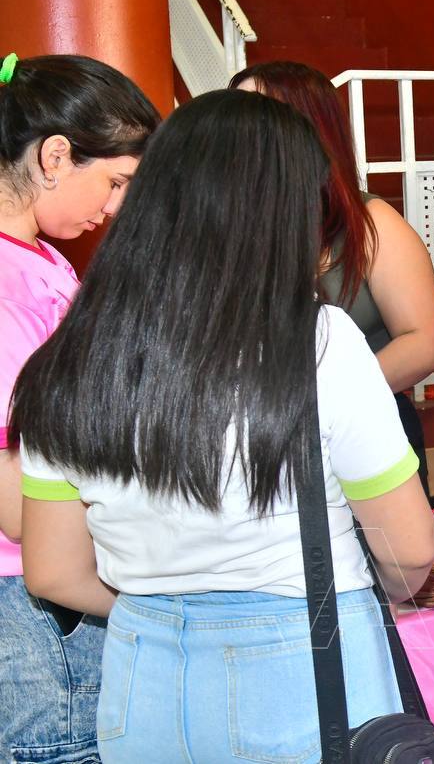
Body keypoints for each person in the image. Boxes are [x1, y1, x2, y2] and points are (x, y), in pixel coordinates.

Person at [12, 90, 434, 762]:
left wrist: (169, 604)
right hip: (307, 672)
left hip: (141, 684)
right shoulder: (319, 340)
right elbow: (410, 549)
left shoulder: (67, 355)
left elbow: (54, 571)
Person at [0, 52, 160, 763]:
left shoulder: (39, 258)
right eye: (117, 180)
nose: (118, 205)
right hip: (33, 606)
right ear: (56, 155)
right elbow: (10, 485)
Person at [232, 61, 434, 505]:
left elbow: (425, 343)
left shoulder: (372, 223)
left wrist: (319, 406)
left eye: (259, 113)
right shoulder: (227, 225)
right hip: (264, 448)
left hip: (366, 432)